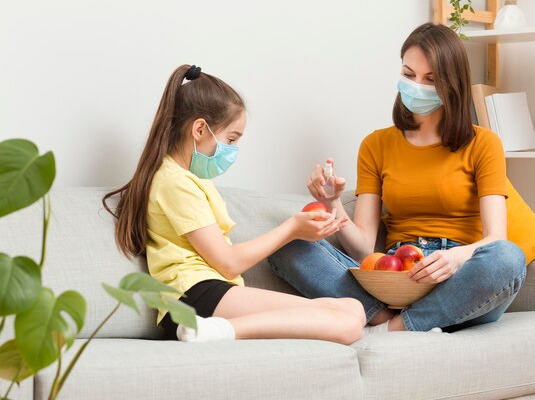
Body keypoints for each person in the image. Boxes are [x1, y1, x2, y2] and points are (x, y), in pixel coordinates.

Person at [268, 23, 527, 334]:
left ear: (453, 85)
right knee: (287, 240)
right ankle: (391, 319)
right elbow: (364, 248)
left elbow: (496, 237)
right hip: (393, 277)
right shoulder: (376, 145)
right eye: (409, 74)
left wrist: (456, 258)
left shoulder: (483, 144)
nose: (417, 86)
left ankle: (398, 327)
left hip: (458, 276)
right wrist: (332, 202)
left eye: (431, 79)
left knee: (507, 259)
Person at [103, 64, 365, 343]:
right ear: (200, 129)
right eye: (231, 139)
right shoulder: (173, 182)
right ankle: (213, 331)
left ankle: (214, 330)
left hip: (207, 293)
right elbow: (228, 263)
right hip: (193, 298)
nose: (232, 150)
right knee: (346, 324)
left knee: (354, 309)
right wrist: (292, 229)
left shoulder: (190, 179)